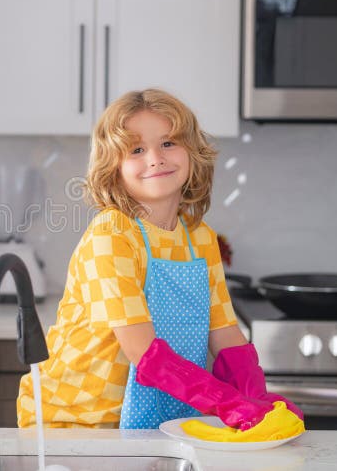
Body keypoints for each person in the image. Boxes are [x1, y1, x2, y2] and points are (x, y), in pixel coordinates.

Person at [16, 88, 303, 432]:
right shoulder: (113, 234)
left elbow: (225, 335)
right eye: (136, 150)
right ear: (114, 168)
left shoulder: (200, 238)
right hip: (77, 421)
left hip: (157, 420)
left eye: (168, 143)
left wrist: (255, 398)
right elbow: (145, 354)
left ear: (192, 152)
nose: (155, 158)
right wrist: (226, 402)